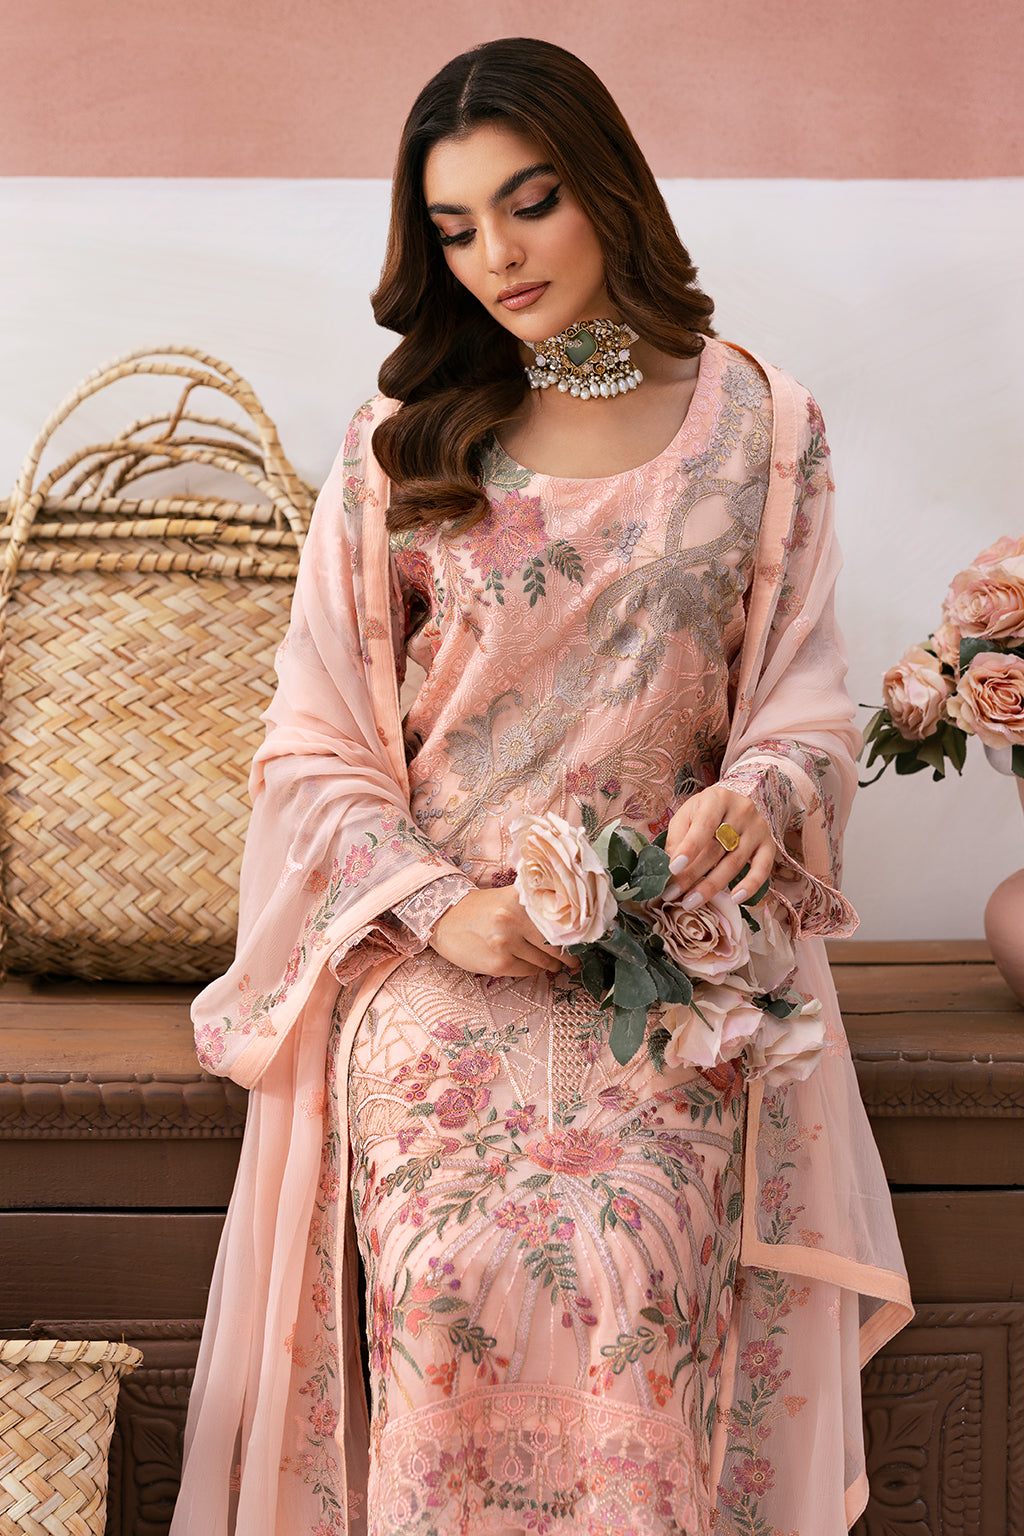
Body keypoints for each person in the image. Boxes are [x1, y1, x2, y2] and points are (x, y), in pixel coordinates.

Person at [170, 37, 911, 1536]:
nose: (498, 257)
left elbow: (804, 704)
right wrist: (440, 911)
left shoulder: (760, 430)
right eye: (456, 229)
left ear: (607, 190)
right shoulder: (401, 449)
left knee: (633, 1256)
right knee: (451, 1267)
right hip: (439, 968)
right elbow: (312, 749)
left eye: (529, 203)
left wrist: (757, 798)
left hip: (673, 977)